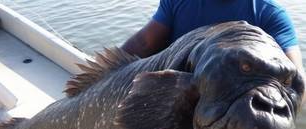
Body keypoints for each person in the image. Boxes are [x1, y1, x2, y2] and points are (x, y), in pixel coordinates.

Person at [121, 0, 305, 88]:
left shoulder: (270, 15)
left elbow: (296, 79)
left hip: (231, 112)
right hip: (173, 98)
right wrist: (105, 74)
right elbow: (143, 43)